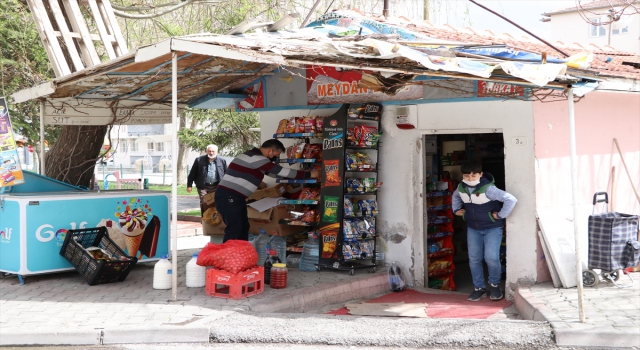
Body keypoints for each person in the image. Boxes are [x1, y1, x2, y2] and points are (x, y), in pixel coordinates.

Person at [215, 139, 319, 242]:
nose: (276, 158)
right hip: (229, 196)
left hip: (234, 197)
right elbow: (279, 171)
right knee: (235, 228)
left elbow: (275, 173)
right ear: (269, 151)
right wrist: (309, 175)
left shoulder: (253, 157)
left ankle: (241, 254)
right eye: (276, 155)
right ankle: (228, 256)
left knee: (243, 226)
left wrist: (299, 173)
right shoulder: (256, 158)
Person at [452, 160, 517, 302]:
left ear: (480, 174)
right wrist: (456, 210)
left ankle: (495, 286)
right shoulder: (461, 188)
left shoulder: (488, 189)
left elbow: (510, 199)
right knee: (474, 259)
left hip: (492, 228)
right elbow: (455, 196)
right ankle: (479, 288)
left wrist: (500, 215)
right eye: (466, 176)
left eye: (473, 176)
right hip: (473, 228)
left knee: (491, 258)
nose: (470, 179)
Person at [187, 144, 227, 213]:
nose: (211, 153)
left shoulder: (222, 161)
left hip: (217, 186)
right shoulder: (199, 160)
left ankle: (215, 220)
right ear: (206, 151)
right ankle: (205, 220)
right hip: (203, 186)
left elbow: (226, 174)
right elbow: (192, 173)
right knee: (204, 202)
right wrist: (189, 185)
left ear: (216, 152)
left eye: (213, 151)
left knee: (216, 203)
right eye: (209, 151)